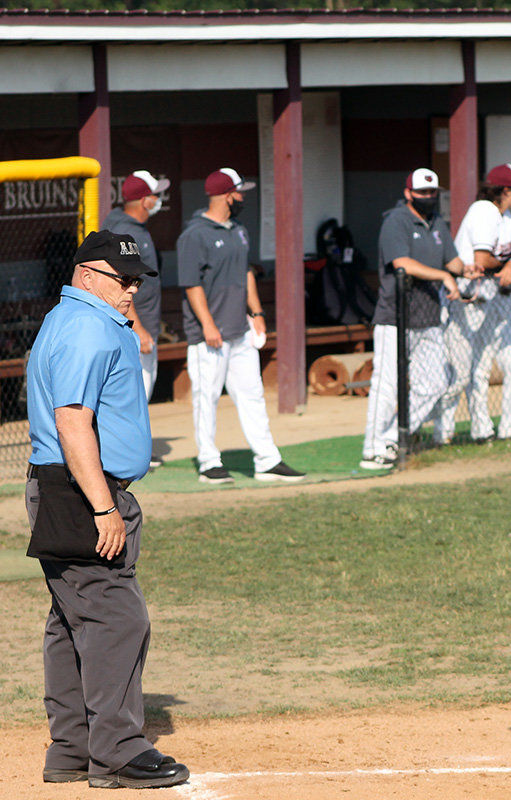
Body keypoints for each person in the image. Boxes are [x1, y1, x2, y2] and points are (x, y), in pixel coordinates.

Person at [25, 230, 189, 790]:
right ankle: (117, 751)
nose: (134, 291)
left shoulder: (68, 319)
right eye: (125, 281)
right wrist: (102, 507)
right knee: (118, 619)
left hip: (67, 486)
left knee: (73, 622)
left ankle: (71, 748)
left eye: (139, 280)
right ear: (89, 277)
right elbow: (73, 423)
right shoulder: (87, 329)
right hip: (80, 491)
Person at [177, 167, 305, 484]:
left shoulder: (238, 230)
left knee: (253, 395)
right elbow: (191, 285)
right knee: (205, 398)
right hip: (208, 336)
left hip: (240, 331)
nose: (243, 196)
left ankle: (267, 460)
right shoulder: (193, 235)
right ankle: (208, 461)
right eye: (239, 191)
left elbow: (246, 272)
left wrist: (258, 312)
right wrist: (208, 324)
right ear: (225, 194)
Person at [360, 168, 464, 469]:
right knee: (387, 383)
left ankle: (391, 438)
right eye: (423, 193)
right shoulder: (396, 220)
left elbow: (453, 260)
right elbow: (401, 263)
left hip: (428, 314)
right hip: (395, 316)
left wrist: (466, 270)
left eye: (433, 193)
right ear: (409, 193)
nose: (429, 198)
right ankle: (372, 447)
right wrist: (444, 275)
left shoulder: (436, 222)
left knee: (434, 382)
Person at [437, 163, 511, 443]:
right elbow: (483, 260)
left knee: (488, 367)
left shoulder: (505, 215)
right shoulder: (484, 210)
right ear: (506, 190)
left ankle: (486, 429)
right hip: (464, 300)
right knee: (461, 373)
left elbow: (510, 255)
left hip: (491, 298)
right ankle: (440, 430)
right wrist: (508, 264)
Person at [101, 170, 168, 408]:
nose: (159, 200)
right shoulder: (124, 232)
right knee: (133, 400)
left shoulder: (133, 227)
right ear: (143, 200)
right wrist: (138, 328)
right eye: (155, 194)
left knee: (137, 398)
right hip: (131, 329)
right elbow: (120, 284)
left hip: (139, 326)